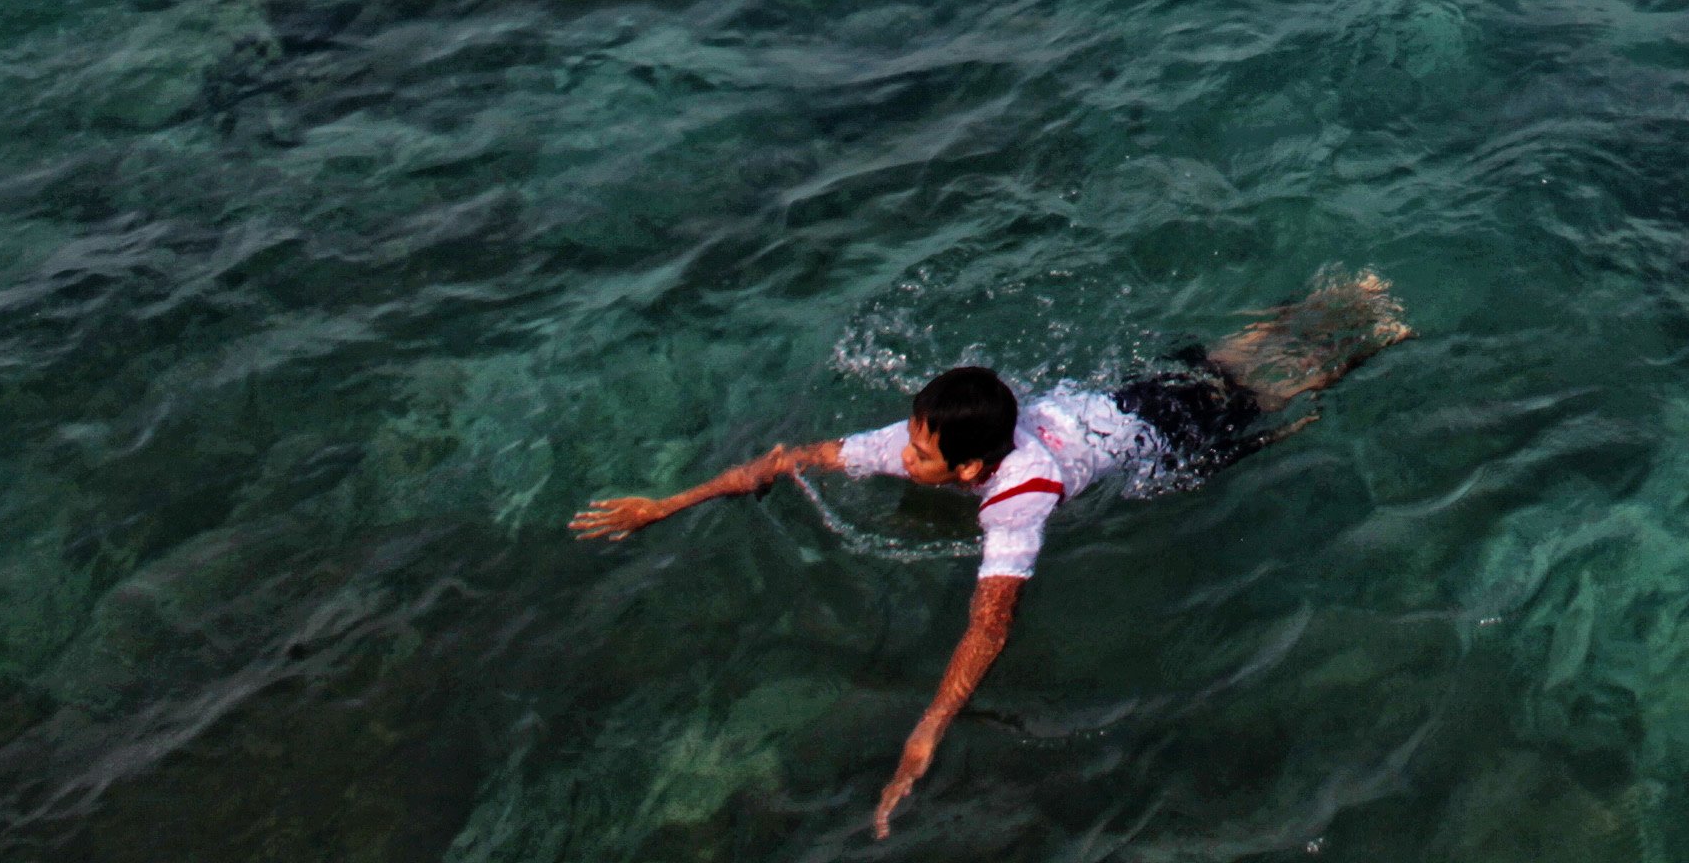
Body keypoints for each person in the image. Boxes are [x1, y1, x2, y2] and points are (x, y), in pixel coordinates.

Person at [570, 274, 1411, 840]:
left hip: (1163, 441)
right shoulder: (935, 440)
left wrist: (925, 732)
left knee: (1277, 392)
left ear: (971, 470)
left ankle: (1374, 335)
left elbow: (990, 621)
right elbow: (793, 456)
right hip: (1121, 402)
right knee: (1231, 361)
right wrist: (665, 506)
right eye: (912, 437)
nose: (906, 455)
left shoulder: (1017, 498)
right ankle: (1352, 298)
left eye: (925, 454)